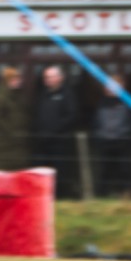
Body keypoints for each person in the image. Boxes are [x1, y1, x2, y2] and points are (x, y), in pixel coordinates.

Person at [33, 65, 79, 199]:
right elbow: (37, 115)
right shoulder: (43, 95)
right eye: (46, 77)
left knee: (61, 173)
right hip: (44, 142)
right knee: (44, 172)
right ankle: (45, 196)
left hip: (60, 143)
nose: (48, 80)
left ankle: (61, 198)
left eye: (51, 76)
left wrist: (55, 130)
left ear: (60, 77)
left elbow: (72, 116)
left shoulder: (68, 94)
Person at [92, 71, 131, 198]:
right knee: (104, 172)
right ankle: (103, 197)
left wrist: (126, 137)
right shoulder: (100, 104)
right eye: (107, 85)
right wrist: (99, 136)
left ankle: (127, 197)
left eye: (113, 85)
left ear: (121, 86)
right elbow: (96, 123)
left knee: (125, 171)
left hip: (123, 143)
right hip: (105, 143)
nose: (109, 88)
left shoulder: (129, 103)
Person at [0, 66, 29, 171]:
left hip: (19, 143)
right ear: (7, 81)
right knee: (6, 172)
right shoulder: (0, 97)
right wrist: (11, 131)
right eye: (15, 79)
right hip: (6, 143)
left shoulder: (20, 96)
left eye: (19, 79)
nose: (18, 81)